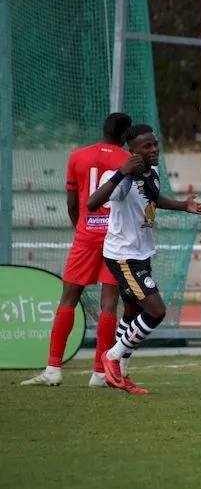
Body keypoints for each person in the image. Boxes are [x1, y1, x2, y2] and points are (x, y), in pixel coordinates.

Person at [87, 124, 201, 394]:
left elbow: (153, 199)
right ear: (133, 151)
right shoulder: (119, 175)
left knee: (132, 313)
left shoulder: (152, 172)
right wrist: (121, 172)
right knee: (156, 311)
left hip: (142, 253)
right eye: (147, 146)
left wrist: (183, 206)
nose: (154, 150)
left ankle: (120, 375)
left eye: (155, 144)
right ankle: (112, 357)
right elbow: (92, 203)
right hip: (123, 256)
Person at [21, 113, 132, 388]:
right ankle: (99, 373)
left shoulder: (78, 156)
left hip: (85, 236)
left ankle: (53, 369)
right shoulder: (128, 160)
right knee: (109, 304)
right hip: (115, 239)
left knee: (68, 298)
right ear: (125, 135)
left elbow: (71, 203)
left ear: (103, 130)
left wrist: (82, 228)